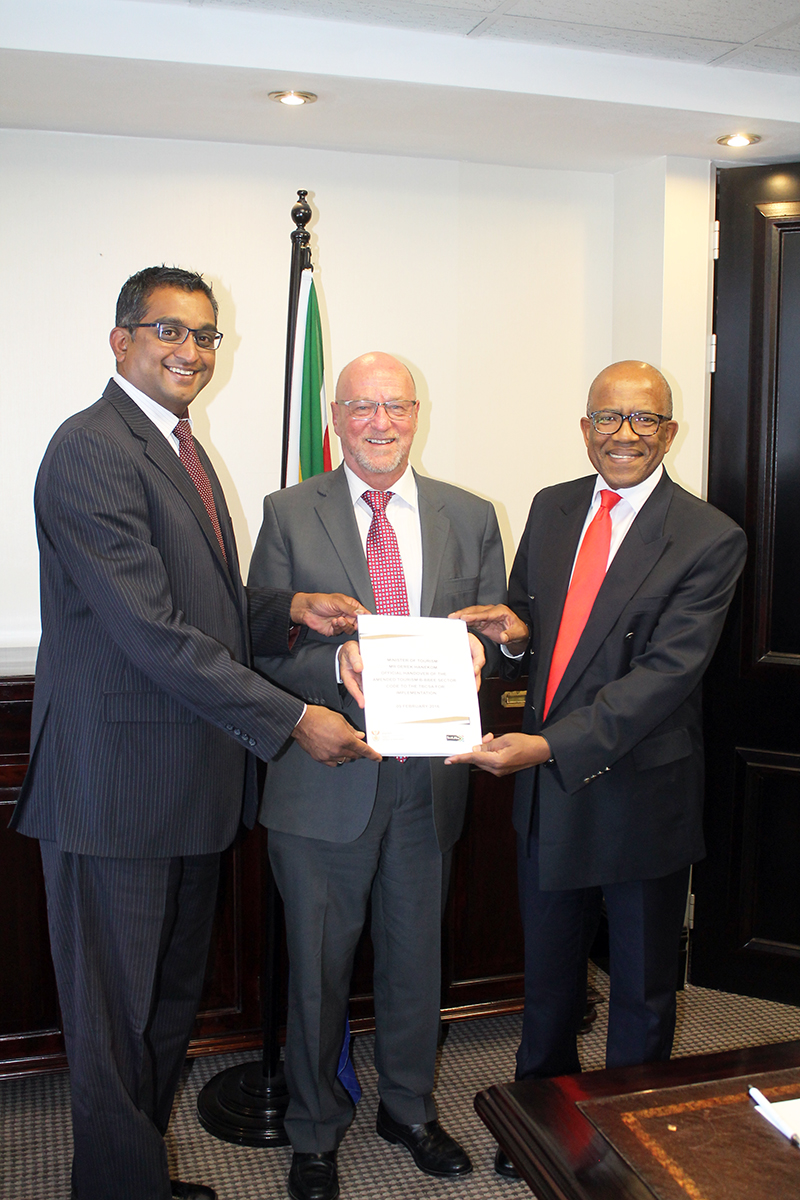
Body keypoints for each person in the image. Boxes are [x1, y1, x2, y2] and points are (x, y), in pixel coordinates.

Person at [11, 266, 379, 1200]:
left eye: (205, 336)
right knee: (111, 1029)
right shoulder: (93, 447)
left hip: (187, 789)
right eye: (169, 331)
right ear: (121, 339)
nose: (189, 351)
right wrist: (296, 717)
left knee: (164, 1015)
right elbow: (151, 632)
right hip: (115, 796)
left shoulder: (180, 448)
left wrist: (290, 607)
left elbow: (201, 608)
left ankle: (137, 1178)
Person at [448, 360, 747, 1179]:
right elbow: (537, 627)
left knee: (644, 991)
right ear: (584, 429)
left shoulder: (710, 537)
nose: (623, 435)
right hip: (550, 790)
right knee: (546, 980)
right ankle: (538, 1123)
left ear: (669, 433)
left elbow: (664, 677)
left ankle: (627, 1138)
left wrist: (546, 745)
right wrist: (511, 635)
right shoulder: (550, 508)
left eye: (643, 420)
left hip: (638, 787)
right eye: (607, 419)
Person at [248, 351, 506, 1200]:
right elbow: (258, 642)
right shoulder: (290, 511)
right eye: (362, 407)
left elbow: (497, 642)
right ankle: (315, 1132)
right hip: (327, 780)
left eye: (396, 405)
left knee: (414, 960)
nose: (381, 423)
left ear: (418, 411)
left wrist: (493, 649)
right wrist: (335, 666)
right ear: (336, 415)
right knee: (317, 971)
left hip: (428, 785)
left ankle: (408, 1109)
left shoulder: (470, 515)